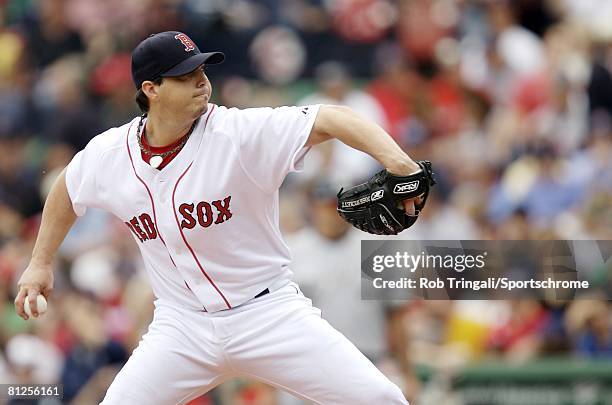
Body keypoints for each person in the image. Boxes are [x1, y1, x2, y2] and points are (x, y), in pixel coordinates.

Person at [14, 31, 423, 404]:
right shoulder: (112, 154)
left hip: (267, 314)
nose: (201, 80)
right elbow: (68, 185)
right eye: (185, 74)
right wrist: (40, 262)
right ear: (150, 89)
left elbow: (333, 118)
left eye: (201, 69)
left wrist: (400, 163)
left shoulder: (238, 133)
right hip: (181, 328)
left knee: (382, 399)